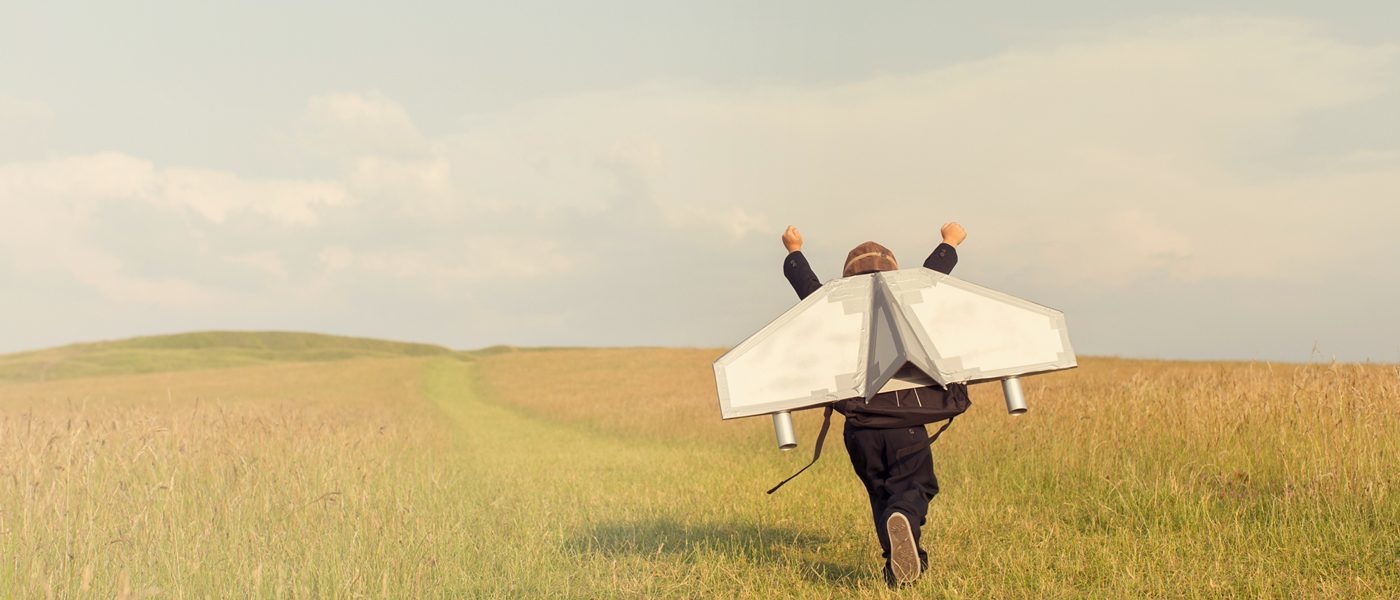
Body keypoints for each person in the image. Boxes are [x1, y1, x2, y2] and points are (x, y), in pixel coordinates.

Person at [778, 222, 968, 587]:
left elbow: (809, 291)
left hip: (860, 430)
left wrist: (794, 251)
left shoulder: (835, 314)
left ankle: (899, 572)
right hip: (905, 424)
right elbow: (931, 280)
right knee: (913, 489)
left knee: (880, 493)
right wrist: (949, 242)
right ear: (894, 276)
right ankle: (903, 521)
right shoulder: (907, 307)